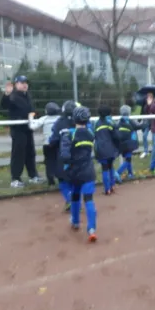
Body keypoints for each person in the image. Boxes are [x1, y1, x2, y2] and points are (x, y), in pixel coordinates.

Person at [59, 106, 98, 242]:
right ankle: (92, 229)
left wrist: (70, 161)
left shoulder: (68, 134)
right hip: (88, 171)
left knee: (76, 197)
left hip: (75, 172)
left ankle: (75, 222)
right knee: (89, 199)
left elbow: (64, 156)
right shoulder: (91, 133)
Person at [0, 75, 44, 188]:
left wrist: (34, 115)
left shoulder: (27, 96)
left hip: (28, 128)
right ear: (16, 84)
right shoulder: (13, 95)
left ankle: (33, 175)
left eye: (26, 82)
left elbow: (31, 110)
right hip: (18, 129)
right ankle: (15, 179)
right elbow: (4, 105)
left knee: (30, 153)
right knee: (18, 154)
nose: (25, 84)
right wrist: (6, 94)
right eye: (22, 82)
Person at [48, 100, 79, 211]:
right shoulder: (79, 121)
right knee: (74, 180)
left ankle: (70, 199)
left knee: (62, 179)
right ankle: (75, 202)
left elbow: (53, 140)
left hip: (63, 155)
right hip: (78, 155)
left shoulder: (59, 122)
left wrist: (52, 142)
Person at [28, 102, 61, 186]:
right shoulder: (60, 118)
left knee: (49, 161)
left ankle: (50, 178)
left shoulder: (44, 119)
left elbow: (32, 127)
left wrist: (30, 117)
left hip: (47, 144)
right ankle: (60, 177)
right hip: (59, 143)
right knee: (59, 160)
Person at [93, 106, 120, 195]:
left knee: (104, 169)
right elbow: (116, 135)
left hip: (101, 149)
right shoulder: (110, 123)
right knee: (110, 167)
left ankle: (107, 189)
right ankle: (112, 186)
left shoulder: (96, 124)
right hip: (110, 149)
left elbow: (94, 136)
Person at [116, 105, 146, 180]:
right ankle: (117, 173)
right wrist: (144, 122)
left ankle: (130, 174)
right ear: (129, 112)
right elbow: (139, 126)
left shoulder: (118, 121)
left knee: (128, 158)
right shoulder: (130, 120)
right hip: (130, 143)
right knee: (128, 159)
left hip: (122, 144)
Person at [139, 93, 153, 159]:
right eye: (148, 98)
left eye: (150, 98)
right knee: (144, 136)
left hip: (153, 123)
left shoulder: (154, 105)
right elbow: (142, 113)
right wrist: (139, 121)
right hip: (147, 123)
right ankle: (146, 150)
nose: (148, 99)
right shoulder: (144, 105)